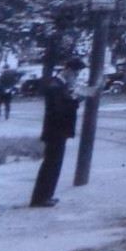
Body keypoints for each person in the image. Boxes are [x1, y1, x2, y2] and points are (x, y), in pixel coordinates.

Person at [30, 58, 84, 208]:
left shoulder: (60, 85)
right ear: (68, 71)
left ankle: (47, 195)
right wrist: (75, 101)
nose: (76, 77)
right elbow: (58, 110)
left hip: (58, 131)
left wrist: (74, 99)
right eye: (75, 74)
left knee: (54, 165)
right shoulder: (56, 85)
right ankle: (40, 198)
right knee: (51, 165)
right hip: (56, 131)